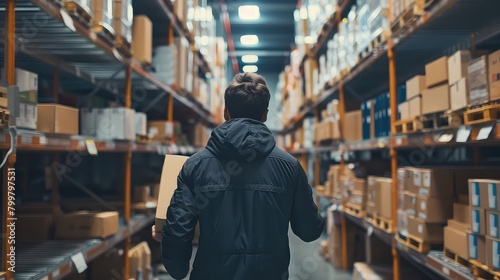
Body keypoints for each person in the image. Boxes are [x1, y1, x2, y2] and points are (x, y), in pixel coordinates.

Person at [152, 72, 324, 280]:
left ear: (226, 112)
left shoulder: (194, 167)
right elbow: (309, 231)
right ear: (265, 115)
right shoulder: (290, 167)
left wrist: (172, 256)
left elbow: (178, 232)